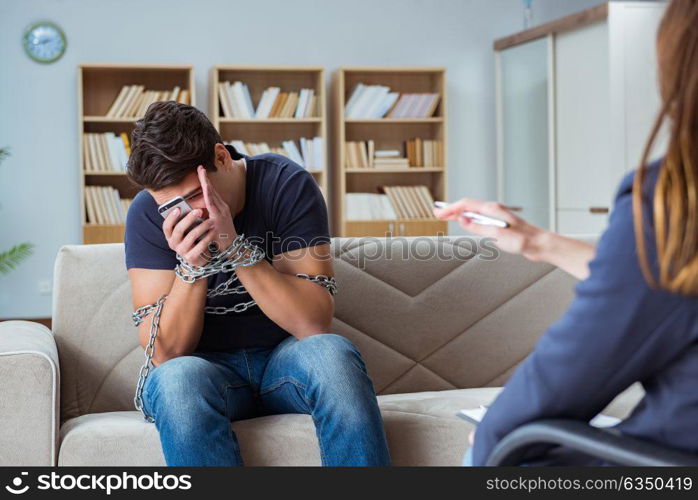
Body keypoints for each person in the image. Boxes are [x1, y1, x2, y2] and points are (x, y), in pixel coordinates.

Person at [435, 0, 698, 467]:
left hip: (666, 465)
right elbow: (668, 285)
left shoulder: (674, 202)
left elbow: (559, 382)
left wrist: (487, 444)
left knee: (486, 453)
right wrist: (539, 243)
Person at [124, 101, 390, 466]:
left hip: (285, 359)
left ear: (221, 157)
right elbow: (165, 354)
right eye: (169, 207)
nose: (186, 215)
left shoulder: (285, 183)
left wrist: (234, 245)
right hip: (208, 371)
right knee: (175, 381)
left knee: (333, 355)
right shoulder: (146, 214)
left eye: (191, 197)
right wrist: (191, 265)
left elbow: (313, 323)